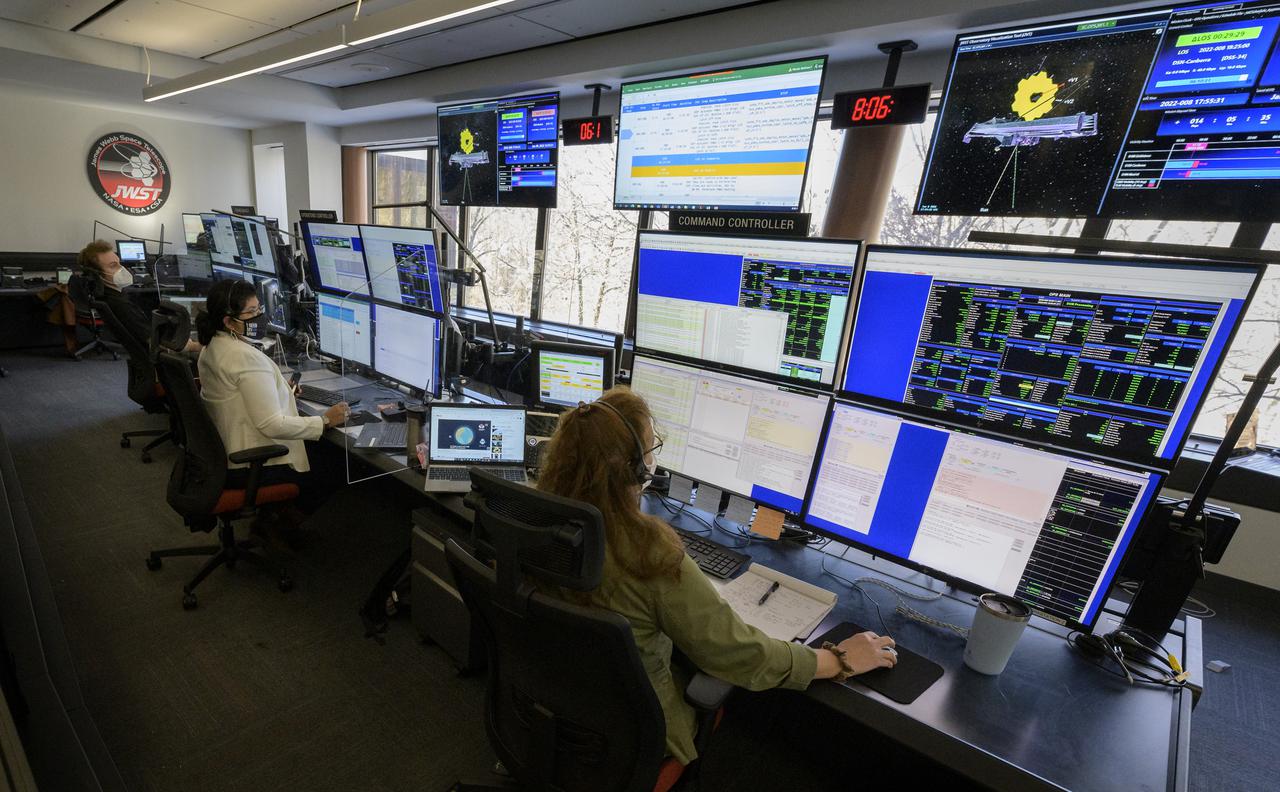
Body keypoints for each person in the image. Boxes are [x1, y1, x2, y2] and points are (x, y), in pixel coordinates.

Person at [536, 387, 897, 765]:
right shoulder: (648, 553)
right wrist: (837, 660)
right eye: (651, 448)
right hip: (634, 737)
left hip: (543, 707)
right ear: (636, 468)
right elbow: (741, 655)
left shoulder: (533, 518)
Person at [195, 278, 348, 514]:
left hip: (224, 457)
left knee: (323, 452)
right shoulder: (243, 357)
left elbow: (240, 396)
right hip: (251, 463)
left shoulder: (213, 346)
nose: (259, 316)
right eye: (251, 312)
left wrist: (281, 391)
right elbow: (271, 424)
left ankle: (279, 517)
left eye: (259, 308)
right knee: (337, 462)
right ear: (229, 321)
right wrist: (325, 421)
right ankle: (288, 521)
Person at [77, 239, 201, 354]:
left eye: (119, 263)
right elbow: (156, 344)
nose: (122, 269)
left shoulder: (111, 297)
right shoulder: (119, 304)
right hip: (163, 356)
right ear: (97, 275)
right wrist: (195, 346)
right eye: (113, 266)